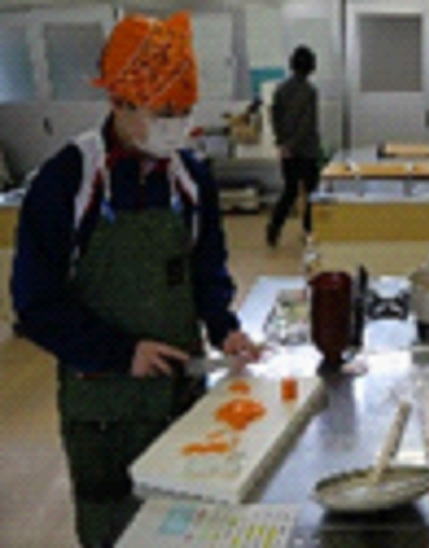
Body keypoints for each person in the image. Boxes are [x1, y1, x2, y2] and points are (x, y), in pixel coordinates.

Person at [11, 12, 260, 547]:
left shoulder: (190, 178)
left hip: (180, 394)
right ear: (119, 101)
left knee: (188, 526)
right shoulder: (67, 181)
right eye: (163, 114)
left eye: (185, 113)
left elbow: (206, 269)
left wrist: (224, 329)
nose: (177, 127)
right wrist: (121, 353)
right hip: (104, 409)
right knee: (116, 530)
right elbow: (35, 304)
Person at [266, 45, 321, 247]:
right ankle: (309, 230)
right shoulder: (310, 91)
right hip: (307, 150)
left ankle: (274, 227)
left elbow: (274, 118)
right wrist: (294, 143)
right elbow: (308, 123)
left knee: (289, 191)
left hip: (287, 151)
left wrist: (283, 143)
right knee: (311, 191)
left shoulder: (281, 89)